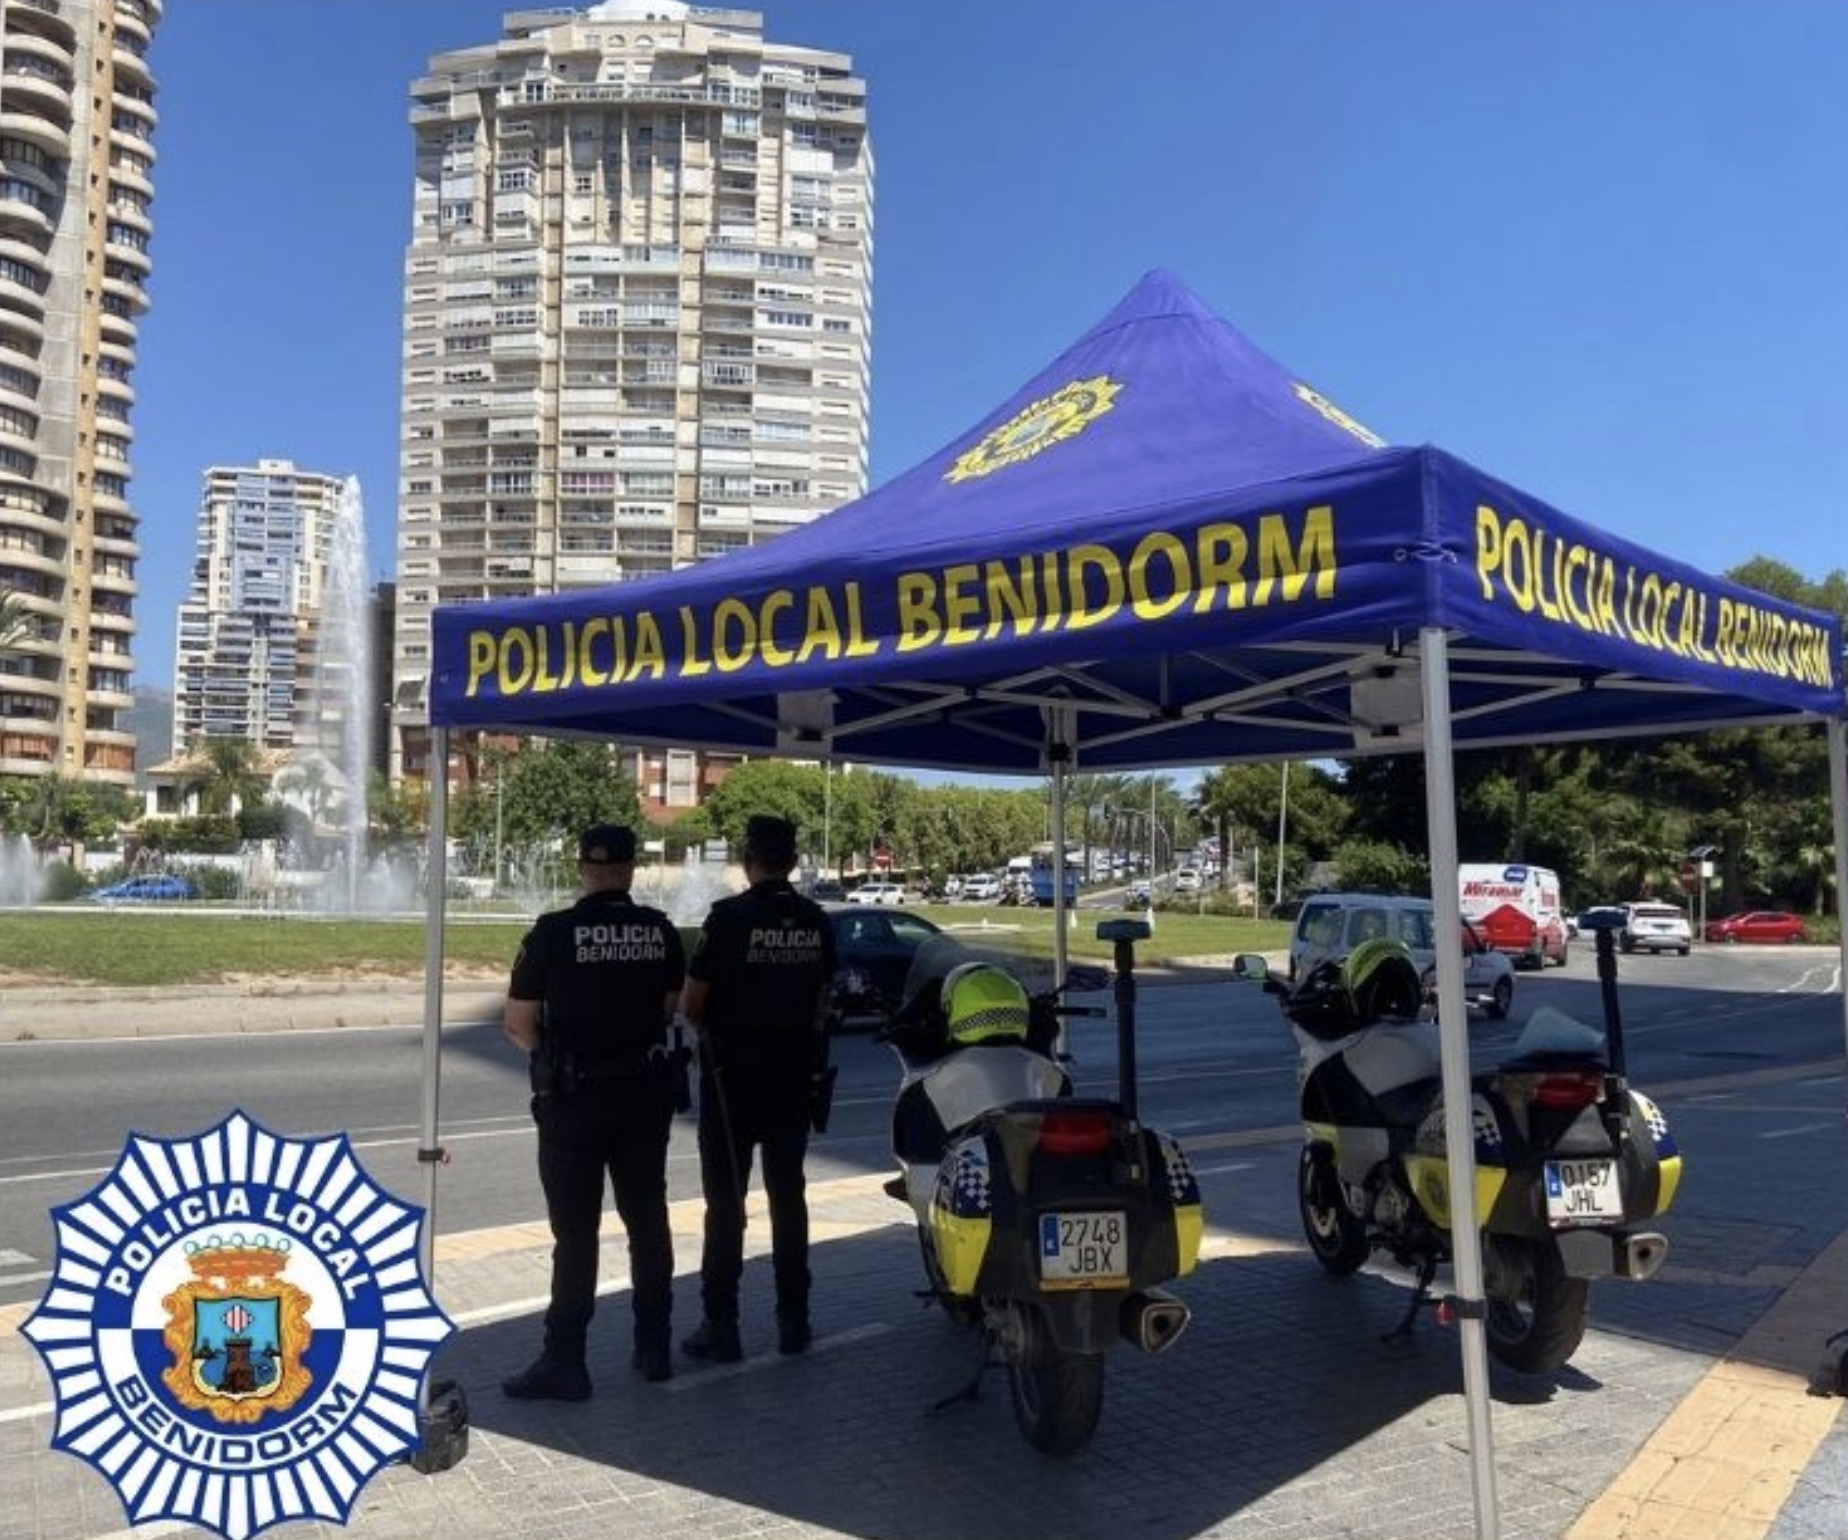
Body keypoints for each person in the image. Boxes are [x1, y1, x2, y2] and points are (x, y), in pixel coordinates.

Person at [500, 822, 687, 1398]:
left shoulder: (553, 932)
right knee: (647, 1222)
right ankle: (655, 1345)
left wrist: (557, 1057)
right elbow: (669, 1008)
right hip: (643, 1096)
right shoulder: (660, 931)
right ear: (631, 870)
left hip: (574, 1101)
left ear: (583, 869)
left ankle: (565, 1361)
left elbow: (518, 1024)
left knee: (576, 1235)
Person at [680, 814, 836, 1362]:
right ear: (791, 862)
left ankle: (721, 1325)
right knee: (789, 1199)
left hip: (732, 1084)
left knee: (726, 1206)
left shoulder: (727, 918)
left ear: (748, 862)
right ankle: (795, 1321)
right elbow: (821, 1003)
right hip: (792, 1077)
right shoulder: (815, 920)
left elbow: (693, 1005)